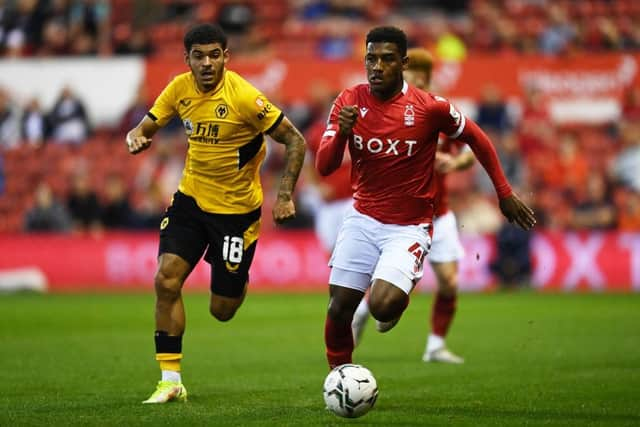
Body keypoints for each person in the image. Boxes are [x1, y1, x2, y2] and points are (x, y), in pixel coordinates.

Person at [316, 26, 535, 370]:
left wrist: (504, 192)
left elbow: (479, 139)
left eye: (386, 59)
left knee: (383, 306)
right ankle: (338, 376)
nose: (376, 66)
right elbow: (325, 166)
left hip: (410, 226)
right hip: (362, 218)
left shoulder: (430, 107)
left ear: (402, 63)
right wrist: (341, 134)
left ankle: (406, 296)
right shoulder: (348, 101)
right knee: (339, 307)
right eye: (370, 59)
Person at [125, 23, 306, 403]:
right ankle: (170, 380)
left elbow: (294, 139)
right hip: (190, 201)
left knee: (222, 309)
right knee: (166, 280)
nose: (206, 63)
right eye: (198, 56)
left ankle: (237, 281)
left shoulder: (245, 97)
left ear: (226, 56)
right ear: (187, 59)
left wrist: (285, 195)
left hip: (237, 214)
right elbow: (145, 127)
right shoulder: (178, 89)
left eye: (214, 55)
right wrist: (136, 136)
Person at [350, 47, 475, 364]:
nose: (416, 82)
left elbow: (472, 148)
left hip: (439, 212)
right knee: (397, 282)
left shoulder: (439, 110)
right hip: (400, 217)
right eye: (411, 76)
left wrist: (456, 164)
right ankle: (365, 309)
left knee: (449, 282)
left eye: (421, 78)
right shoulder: (388, 112)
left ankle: (435, 345)